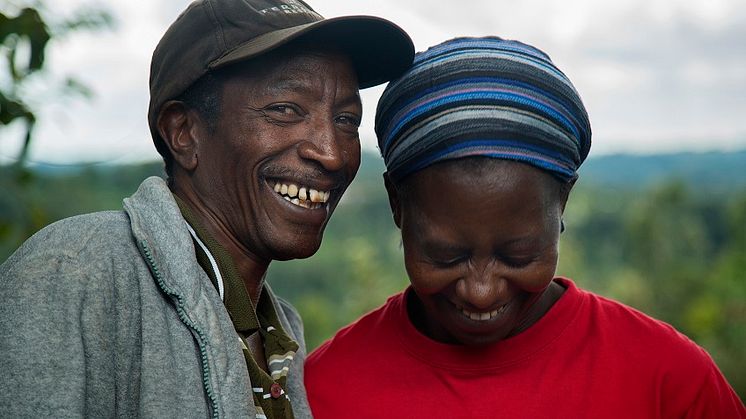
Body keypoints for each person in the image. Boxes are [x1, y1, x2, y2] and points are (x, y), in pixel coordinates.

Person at [0, 0, 413, 417]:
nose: (331, 153)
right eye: (285, 109)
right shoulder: (72, 275)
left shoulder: (279, 332)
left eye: (346, 119)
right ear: (184, 133)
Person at [304, 37, 745, 418]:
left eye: (517, 256)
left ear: (563, 202)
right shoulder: (322, 392)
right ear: (397, 205)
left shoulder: (669, 381)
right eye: (446, 256)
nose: (481, 292)